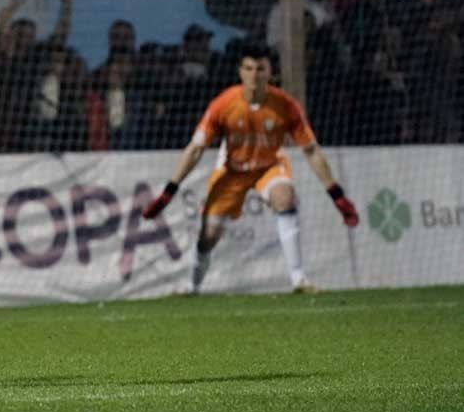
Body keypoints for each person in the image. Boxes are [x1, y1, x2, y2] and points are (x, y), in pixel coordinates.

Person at [141, 42, 360, 295]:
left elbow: (311, 150)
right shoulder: (223, 105)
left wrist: (337, 195)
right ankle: (193, 286)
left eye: (260, 69)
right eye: (248, 68)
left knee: (284, 197)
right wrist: (169, 191)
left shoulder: (286, 106)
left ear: (270, 73)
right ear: (240, 72)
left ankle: (299, 279)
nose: (254, 75)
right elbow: (196, 149)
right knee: (209, 235)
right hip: (231, 170)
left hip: (269, 165)